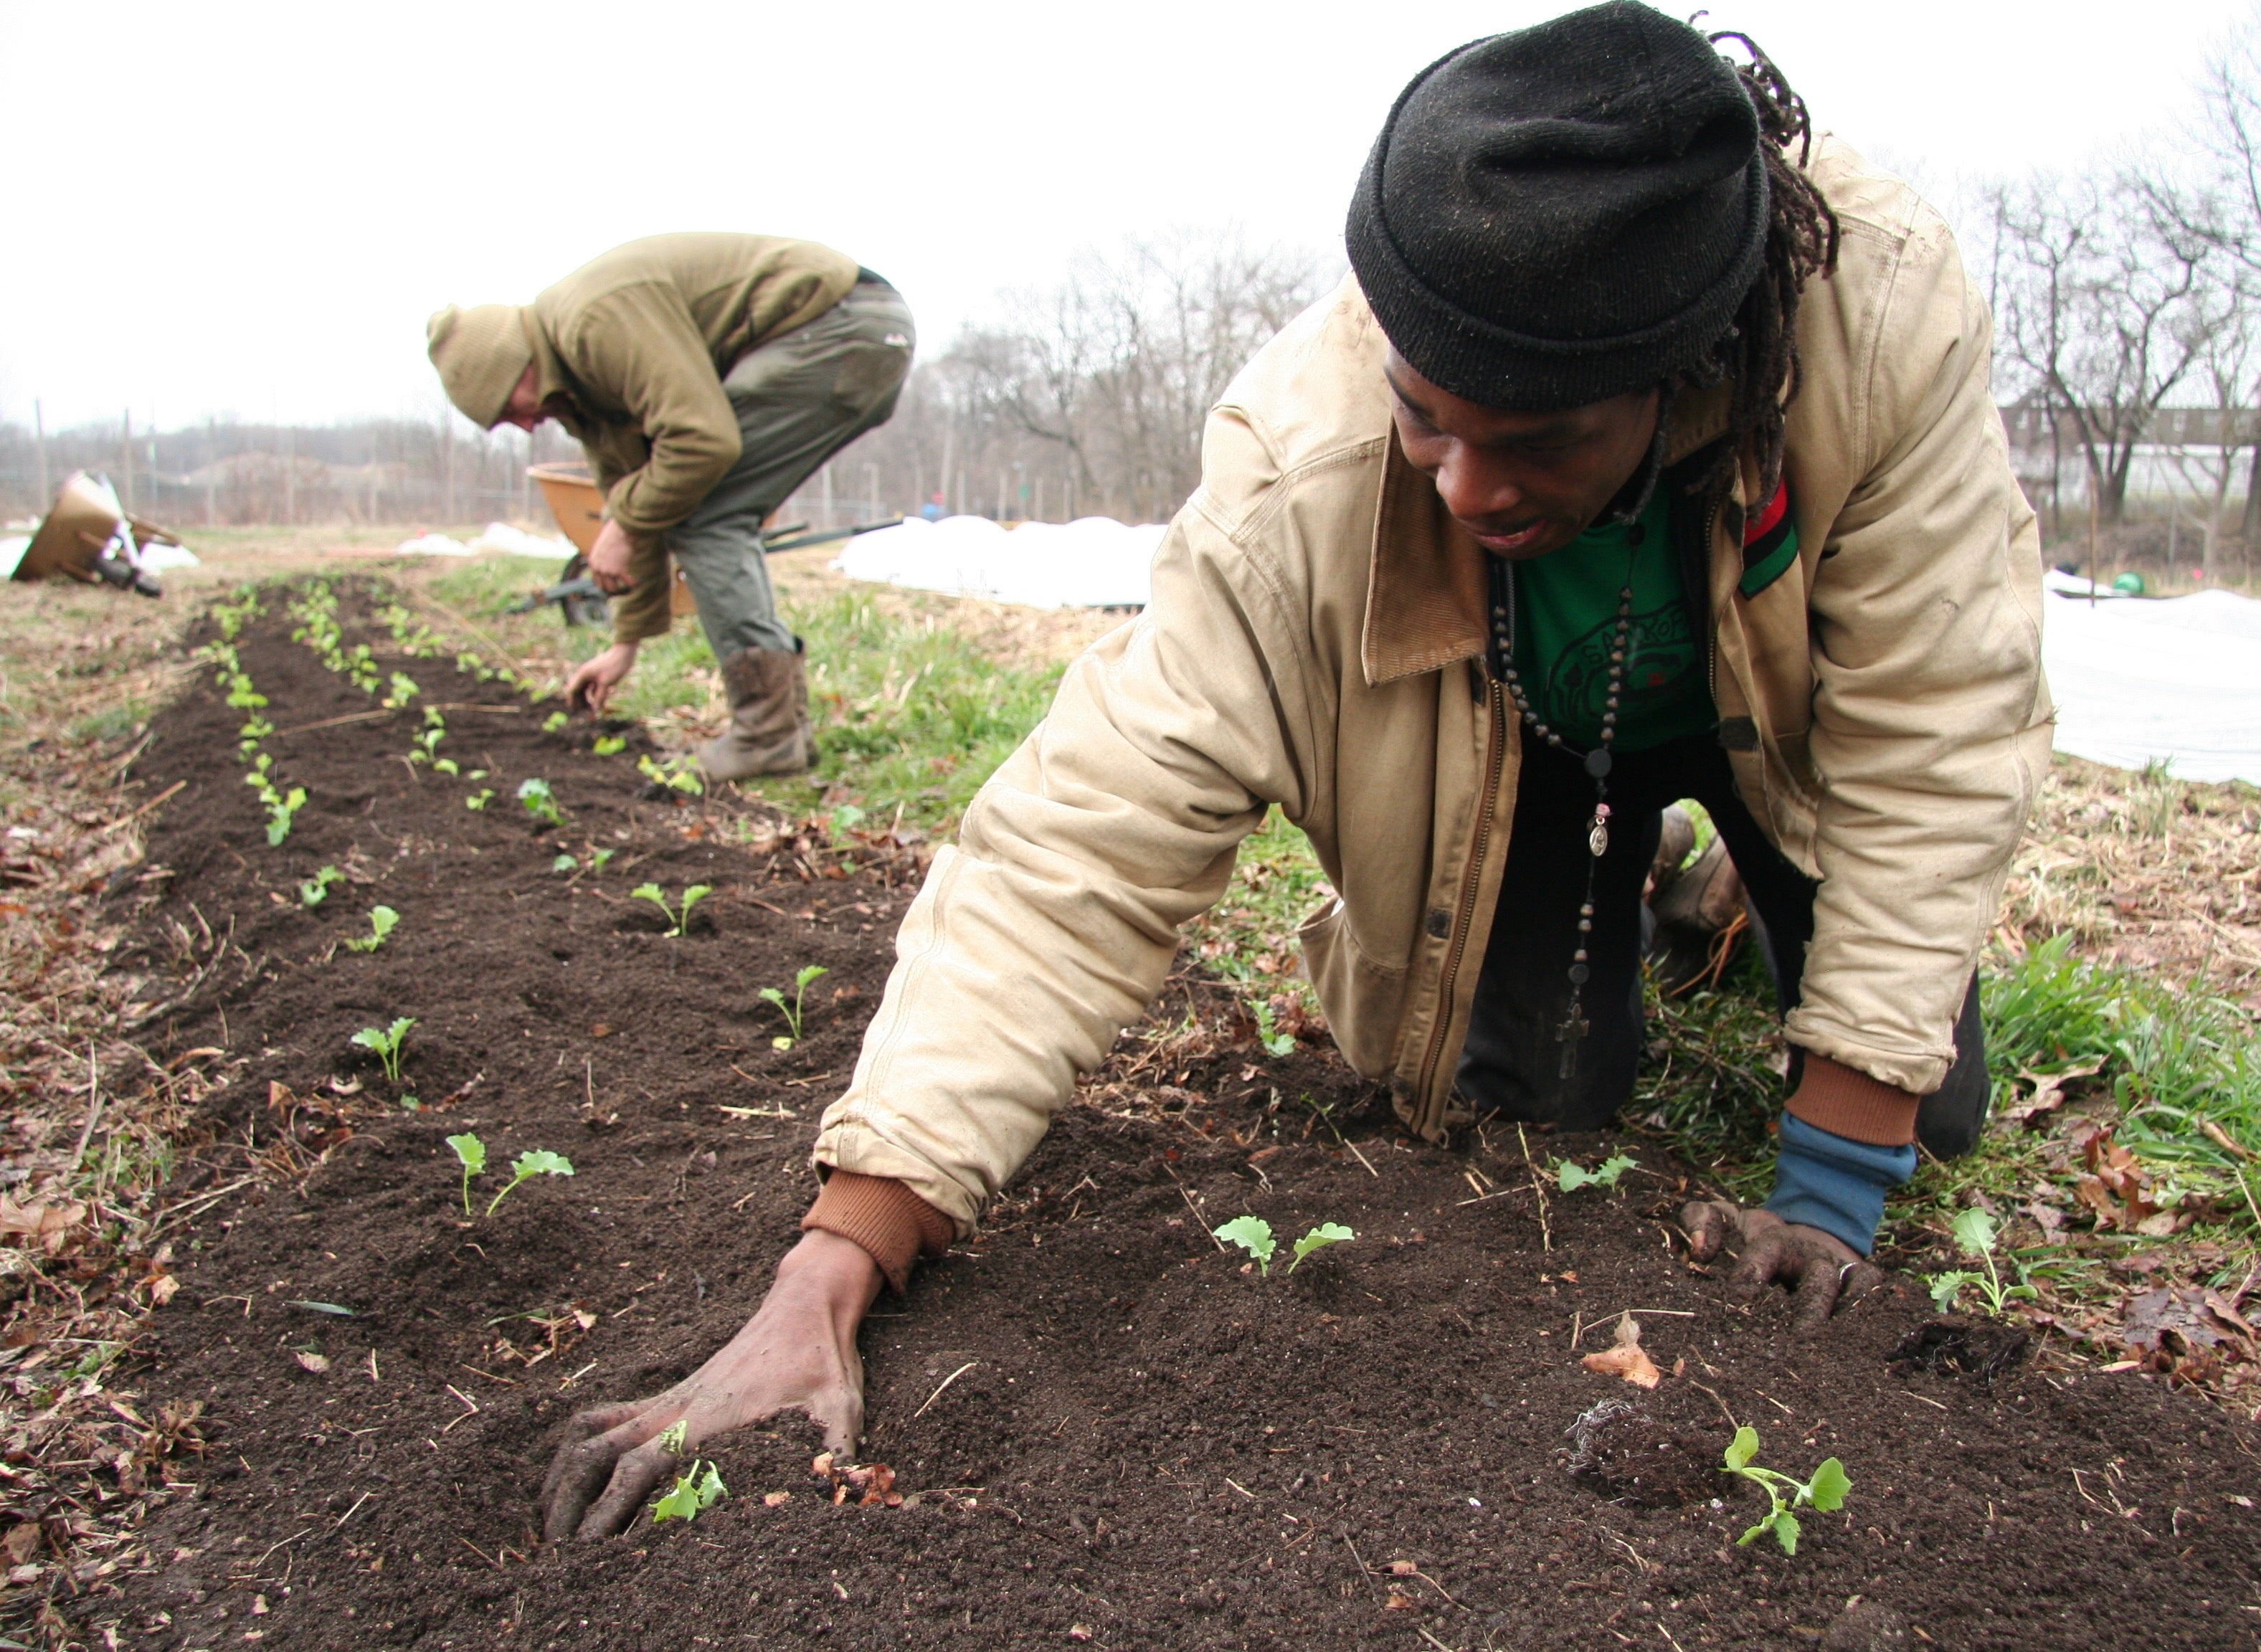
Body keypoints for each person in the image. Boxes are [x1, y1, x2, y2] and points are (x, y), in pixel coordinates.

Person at [536, 3, 2051, 1541]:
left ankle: (1732, 872)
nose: (1462, 484)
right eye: (1426, 417)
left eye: (1536, 442)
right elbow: (1084, 843)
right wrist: (836, 1261)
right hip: (1523, 723)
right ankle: (1654, 879)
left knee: (1926, 1113)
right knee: (1518, 1097)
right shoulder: (1308, 459)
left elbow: (1936, 726)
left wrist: (1835, 1180)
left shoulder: (1875, 324)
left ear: (1689, 374)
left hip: (1771, 717)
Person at [427, 234, 915, 779]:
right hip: (853, 329)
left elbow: (701, 442)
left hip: (843, 325)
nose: (520, 427)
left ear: (514, 366)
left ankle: (768, 734)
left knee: (705, 507)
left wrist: (627, 520)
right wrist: (624, 645)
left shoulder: (593, 323)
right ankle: (783, 732)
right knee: (700, 505)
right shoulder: (581, 396)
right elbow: (643, 504)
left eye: (505, 411)